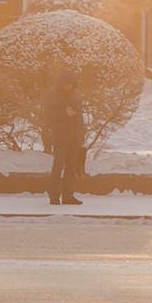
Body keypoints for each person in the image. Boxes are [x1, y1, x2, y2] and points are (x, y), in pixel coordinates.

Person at [41, 67, 86, 206]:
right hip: (60, 137)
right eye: (67, 83)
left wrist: (81, 134)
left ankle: (68, 196)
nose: (69, 86)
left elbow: (79, 116)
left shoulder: (76, 94)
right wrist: (64, 113)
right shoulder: (53, 94)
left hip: (74, 138)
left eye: (71, 83)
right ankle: (54, 196)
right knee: (58, 167)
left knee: (71, 169)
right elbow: (48, 115)